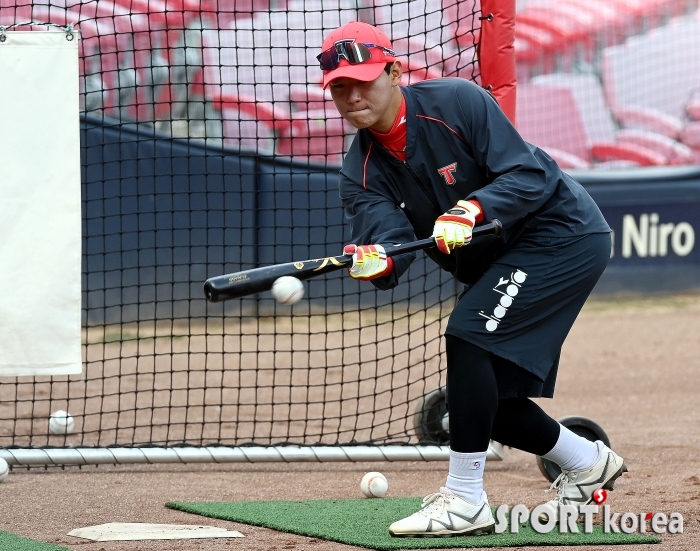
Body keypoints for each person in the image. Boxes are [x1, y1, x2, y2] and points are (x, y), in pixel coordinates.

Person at [318, 21, 628, 537]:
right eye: (339, 88)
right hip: (501, 260)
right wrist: (379, 261)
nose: (352, 97)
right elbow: (389, 240)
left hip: (560, 234)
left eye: (363, 81)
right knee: (484, 396)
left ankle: (464, 499)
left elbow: (531, 174)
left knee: (466, 339)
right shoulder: (359, 171)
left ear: (394, 72)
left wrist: (472, 208)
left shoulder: (457, 101)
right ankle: (586, 462)